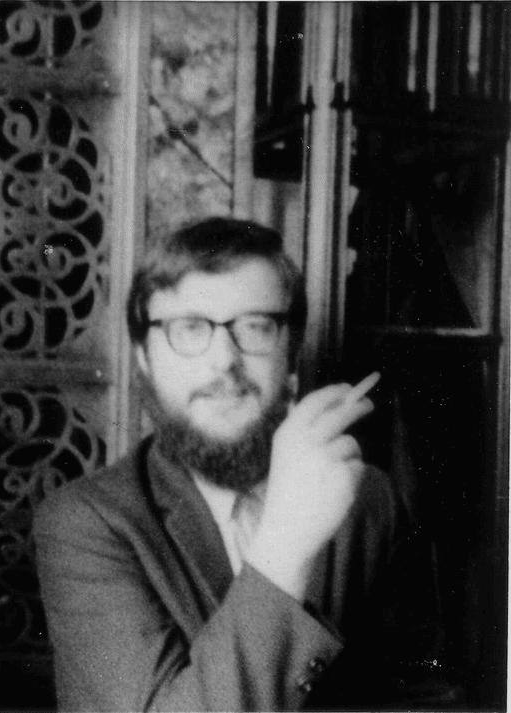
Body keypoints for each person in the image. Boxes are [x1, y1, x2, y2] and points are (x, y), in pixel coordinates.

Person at [34, 217, 451, 711]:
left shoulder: (370, 499)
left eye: (255, 326)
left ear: (290, 354)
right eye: (190, 328)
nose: (223, 361)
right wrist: (287, 542)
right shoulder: (84, 524)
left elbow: (427, 701)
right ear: (144, 358)